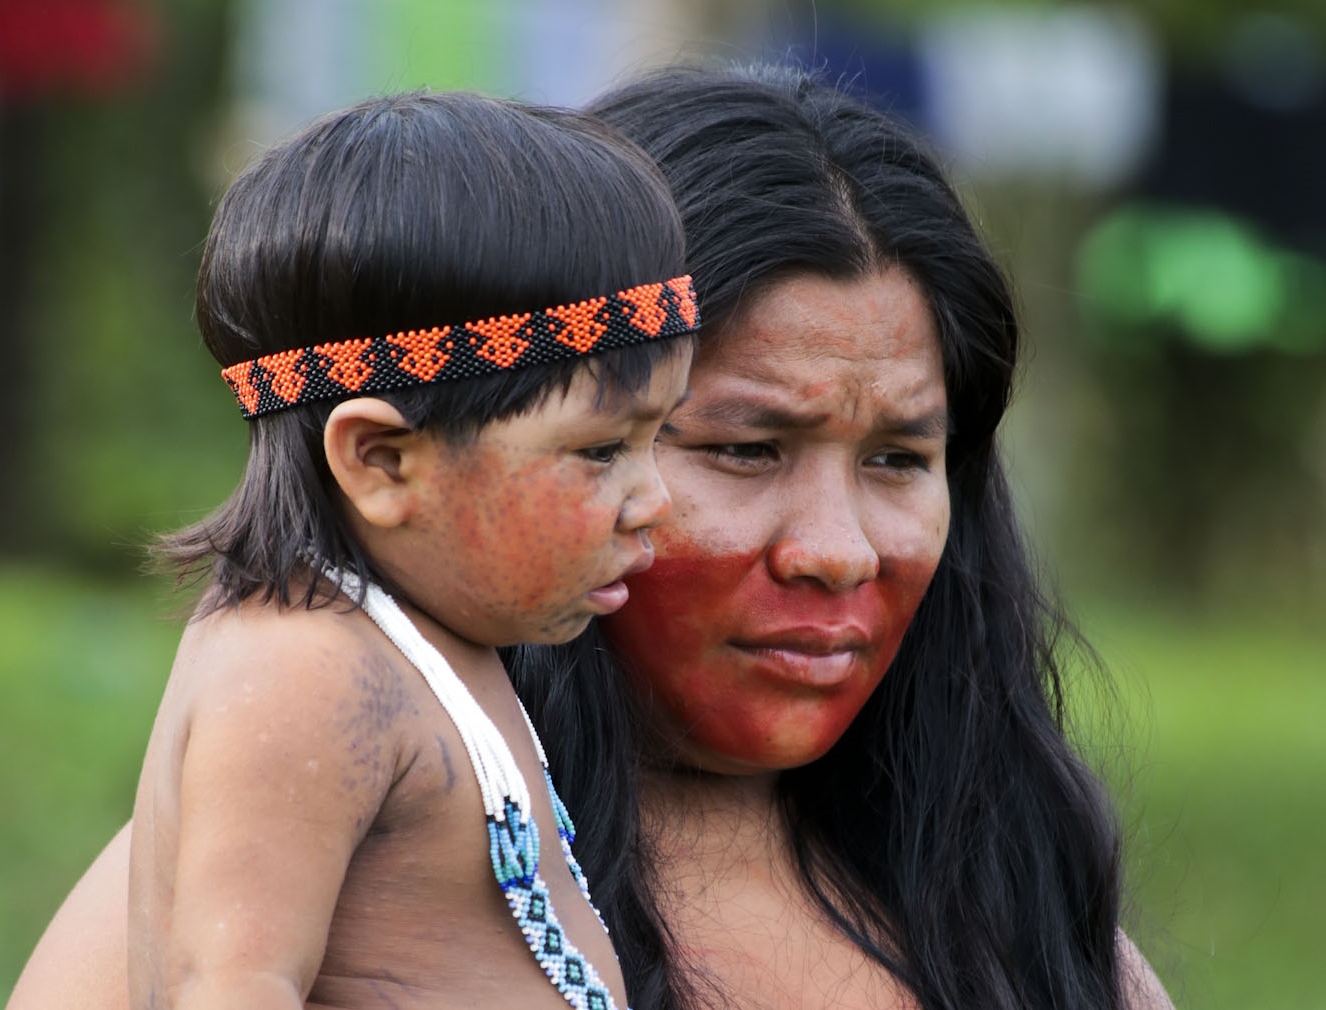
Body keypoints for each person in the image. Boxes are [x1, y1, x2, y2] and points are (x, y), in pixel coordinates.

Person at [5, 65, 1172, 1010]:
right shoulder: (318, 806)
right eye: (743, 450)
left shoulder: (1015, 894)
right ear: (398, 459)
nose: (839, 550)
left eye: (899, 460)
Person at [117, 89, 696, 1010]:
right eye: (600, 450)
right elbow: (226, 985)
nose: (655, 501)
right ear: (383, 461)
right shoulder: (304, 668)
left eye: (658, 437)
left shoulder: (426, 644)